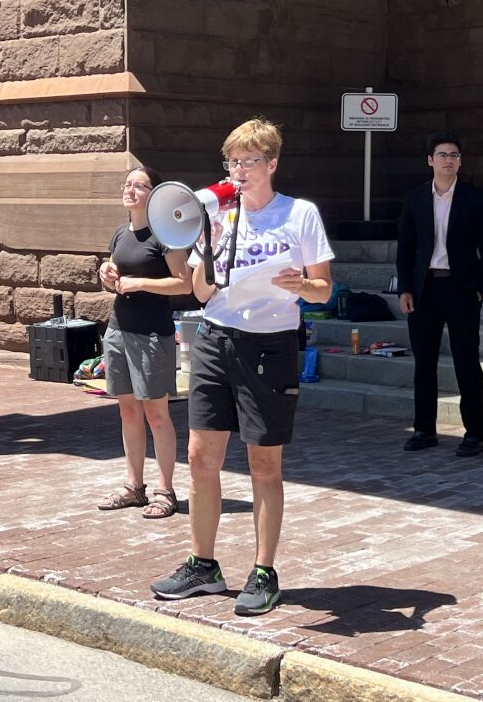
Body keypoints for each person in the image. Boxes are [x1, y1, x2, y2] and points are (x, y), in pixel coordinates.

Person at [151, 118, 334, 615]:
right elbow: (201, 292)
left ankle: (263, 570)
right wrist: (205, 245)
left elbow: (324, 289)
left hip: (270, 346)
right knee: (200, 459)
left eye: (250, 161)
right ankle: (203, 565)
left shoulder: (300, 215)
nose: (239, 170)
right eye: (232, 161)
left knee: (263, 464)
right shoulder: (218, 218)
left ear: (271, 164)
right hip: (215, 340)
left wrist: (303, 287)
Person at [395, 131, 483, 456]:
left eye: (454, 155)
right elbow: (406, 248)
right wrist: (405, 288)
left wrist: (481, 289)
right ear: (430, 160)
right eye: (442, 155)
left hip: (462, 289)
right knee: (423, 362)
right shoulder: (414, 198)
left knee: (466, 360)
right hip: (424, 288)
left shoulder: (475, 198)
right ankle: (424, 429)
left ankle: (475, 433)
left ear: (460, 161)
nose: (448, 160)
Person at [97, 167, 192, 519]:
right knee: (127, 411)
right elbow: (114, 277)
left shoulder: (164, 234)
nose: (132, 190)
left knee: (156, 413)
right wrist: (106, 276)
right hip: (119, 328)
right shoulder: (121, 233)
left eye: (140, 186)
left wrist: (140, 283)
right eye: (127, 185)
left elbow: (184, 284)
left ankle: (165, 491)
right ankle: (134, 488)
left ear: (154, 195)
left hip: (152, 334)